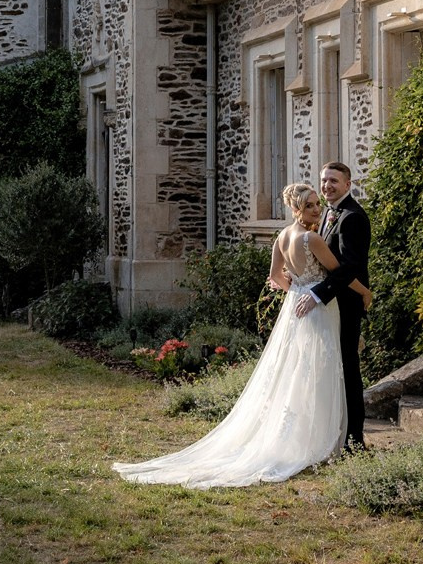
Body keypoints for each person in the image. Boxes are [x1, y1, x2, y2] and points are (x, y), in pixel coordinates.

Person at [112, 184, 370, 488]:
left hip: (295, 308)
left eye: (317, 204)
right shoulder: (311, 238)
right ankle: (319, 441)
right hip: (317, 310)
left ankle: (306, 435)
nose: (317, 210)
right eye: (311, 205)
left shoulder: (281, 238)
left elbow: (275, 278)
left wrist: (298, 289)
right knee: (318, 370)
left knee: (296, 369)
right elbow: (341, 273)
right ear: (297, 209)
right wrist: (365, 293)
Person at [295, 161, 372, 452]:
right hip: (330, 307)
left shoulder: (353, 217)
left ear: (348, 185)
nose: (328, 186)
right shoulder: (327, 212)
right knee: (329, 368)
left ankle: (355, 439)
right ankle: (332, 433)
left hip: (346, 304)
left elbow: (351, 265)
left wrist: (317, 294)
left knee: (349, 367)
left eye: (334, 181)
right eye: (324, 180)